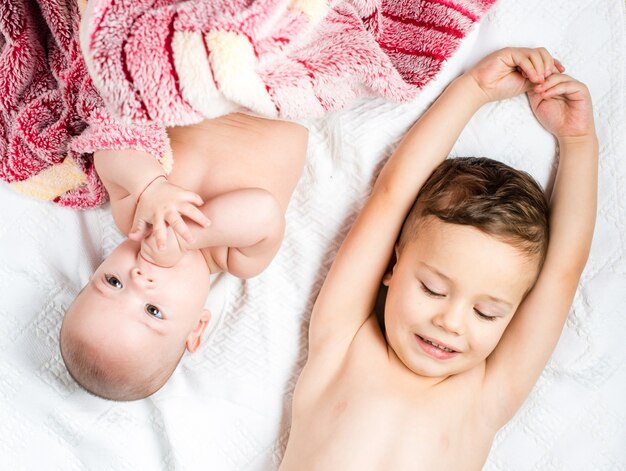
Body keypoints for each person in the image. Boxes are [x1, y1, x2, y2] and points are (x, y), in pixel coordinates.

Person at [279, 47, 597, 470]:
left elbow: (562, 272)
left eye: (485, 313)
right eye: (432, 289)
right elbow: (391, 197)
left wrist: (578, 140)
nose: (450, 321)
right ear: (393, 265)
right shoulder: (343, 340)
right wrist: (472, 90)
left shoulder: (485, 396)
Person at [60, 113, 308, 401]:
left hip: (196, 86)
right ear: (197, 327)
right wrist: (187, 237)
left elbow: (109, 148)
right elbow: (264, 212)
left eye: (113, 282)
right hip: (275, 103)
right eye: (153, 310)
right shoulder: (237, 257)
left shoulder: (135, 216)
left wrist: (149, 186)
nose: (139, 280)